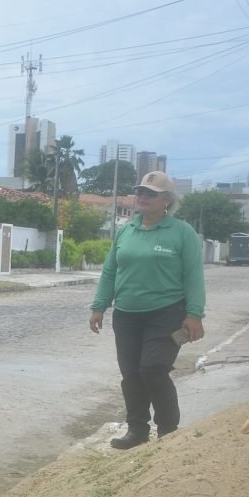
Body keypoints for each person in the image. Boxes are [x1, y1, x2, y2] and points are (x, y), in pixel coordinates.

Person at [89, 170, 205, 450]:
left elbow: (193, 276)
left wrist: (194, 315)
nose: (142, 196)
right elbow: (110, 271)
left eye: (150, 193)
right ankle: (137, 429)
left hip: (167, 313)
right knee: (131, 374)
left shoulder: (182, 232)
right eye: (140, 191)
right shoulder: (126, 230)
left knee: (152, 368)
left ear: (166, 200)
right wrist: (99, 306)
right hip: (127, 314)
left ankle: (168, 429)